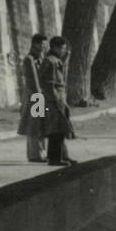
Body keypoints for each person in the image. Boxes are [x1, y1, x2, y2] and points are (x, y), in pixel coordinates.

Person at [37, 36, 77, 165]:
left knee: (61, 128)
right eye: (62, 48)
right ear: (55, 48)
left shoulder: (56, 60)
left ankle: (62, 156)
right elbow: (44, 81)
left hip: (59, 97)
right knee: (56, 130)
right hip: (53, 99)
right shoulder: (50, 61)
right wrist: (53, 98)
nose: (64, 51)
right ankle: (54, 159)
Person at [17, 33, 47, 163]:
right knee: (35, 126)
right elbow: (32, 80)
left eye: (45, 44)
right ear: (34, 44)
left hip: (39, 95)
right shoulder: (29, 59)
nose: (44, 46)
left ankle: (38, 153)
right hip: (35, 96)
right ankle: (35, 154)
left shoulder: (40, 58)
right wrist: (39, 96)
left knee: (39, 125)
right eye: (42, 44)